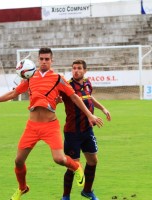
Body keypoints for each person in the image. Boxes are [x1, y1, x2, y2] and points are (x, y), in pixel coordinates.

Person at [0, 47, 104, 200]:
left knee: (59, 159)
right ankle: (22, 188)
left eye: (47, 59)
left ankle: (77, 167)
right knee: (18, 161)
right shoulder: (30, 77)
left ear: (51, 61)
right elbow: (13, 93)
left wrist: (90, 115)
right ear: (38, 60)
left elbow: (74, 97)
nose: (44, 62)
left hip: (50, 125)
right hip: (32, 127)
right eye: (41, 59)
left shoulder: (58, 78)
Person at [59, 60, 111, 200]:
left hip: (87, 130)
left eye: (79, 68)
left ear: (85, 71)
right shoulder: (67, 86)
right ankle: (65, 196)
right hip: (72, 132)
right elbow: (59, 97)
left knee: (93, 161)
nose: (76, 71)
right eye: (74, 68)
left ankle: (87, 191)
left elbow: (90, 97)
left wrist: (103, 108)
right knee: (73, 166)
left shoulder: (87, 83)